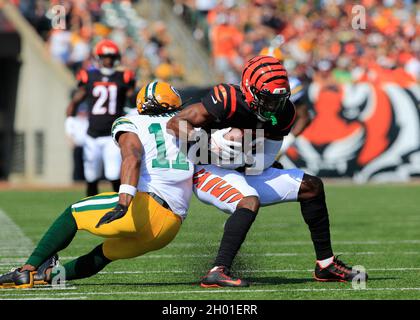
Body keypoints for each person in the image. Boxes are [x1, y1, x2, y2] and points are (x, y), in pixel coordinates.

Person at [167, 55, 367, 288]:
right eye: (267, 98)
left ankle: (325, 264)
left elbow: (263, 162)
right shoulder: (227, 99)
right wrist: (205, 140)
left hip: (244, 167)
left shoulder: (284, 113)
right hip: (207, 168)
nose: (273, 106)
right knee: (249, 201)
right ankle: (217, 270)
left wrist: (241, 154)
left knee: (311, 186)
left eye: (279, 99)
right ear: (249, 90)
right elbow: (175, 123)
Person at [0, 82, 193, 288]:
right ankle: (47, 276)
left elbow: (132, 157)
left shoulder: (132, 121)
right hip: (170, 226)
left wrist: (123, 201)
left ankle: (26, 270)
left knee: (73, 213)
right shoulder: (185, 127)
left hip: (145, 209)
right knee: (103, 255)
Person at [65, 39, 136, 196]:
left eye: (111, 57)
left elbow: (134, 102)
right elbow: (75, 102)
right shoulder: (89, 76)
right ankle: (90, 211)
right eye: (105, 56)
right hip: (92, 135)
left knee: (114, 176)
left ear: (116, 57)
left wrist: (134, 114)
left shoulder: (123, 76)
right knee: (91, 178)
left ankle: (122, 209)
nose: (108, 60)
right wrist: (69, 124)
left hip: (113, 136)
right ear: (98, 57)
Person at [259, 46, 312, 163]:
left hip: (272, 136)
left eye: (274, 63)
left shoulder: (292, 85)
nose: (269, 68)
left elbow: (304, 117)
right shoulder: (249, 82)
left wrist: (287, 141)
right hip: (251, 134)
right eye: (266, 63)